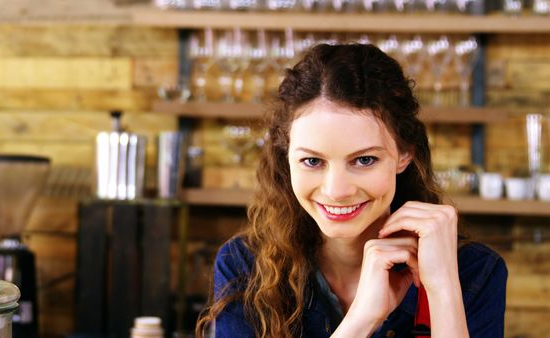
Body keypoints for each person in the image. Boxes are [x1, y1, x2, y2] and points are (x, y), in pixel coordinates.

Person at [196, 43, 508, 338]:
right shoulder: (244, 266)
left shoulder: (475, 271)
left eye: (364, 159)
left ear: (404, 155)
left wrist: (441, 288)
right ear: (286, 157)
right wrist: (360, 320)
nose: (337, 191)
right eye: (312, 161)